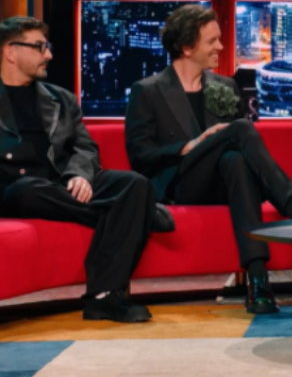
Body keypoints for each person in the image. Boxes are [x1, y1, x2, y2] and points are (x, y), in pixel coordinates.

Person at [125, 5, 292, 315]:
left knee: (235, 161)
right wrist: (188, 147)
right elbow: (140, 156)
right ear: (187, 47)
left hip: (223, 181)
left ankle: (259, 283)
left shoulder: (224, 86)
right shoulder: (147, 91)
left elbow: (243, 154)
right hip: (180, 185)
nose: (221, 47)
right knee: (241, 129)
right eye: (212, 41)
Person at [0, 16, 169, 323]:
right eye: (39, 47)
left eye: (47, 46)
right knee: (27, 190)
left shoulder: (61, 99)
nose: (49, 54)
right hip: (16, 190)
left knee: (136, 184)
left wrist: (79, 174)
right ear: (11, 52)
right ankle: (137, 214)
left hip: (62, 184)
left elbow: (85, 147)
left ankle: (102, 297)